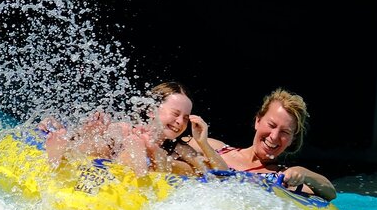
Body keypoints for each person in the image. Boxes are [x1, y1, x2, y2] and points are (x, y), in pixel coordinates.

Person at [41, 82, 227, 177]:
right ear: (152, 110)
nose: (180, 122)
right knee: (102, 142)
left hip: (134, 172)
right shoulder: (127, 128)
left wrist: (203, 142)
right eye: (175, 114)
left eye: (186, 118)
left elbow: (221, 175)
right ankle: (61, 153)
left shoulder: (179, 147)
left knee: (166, 160)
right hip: (114, 163)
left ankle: (142, 158)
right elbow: (90, 139)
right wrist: (84, 130)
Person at [191, 87, 337, 201]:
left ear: (292, 139)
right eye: (272, 125)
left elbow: (330, 193)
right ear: (258, 121)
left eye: (285, 132)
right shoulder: (217, 148)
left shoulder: (283, 178)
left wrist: (304, 173)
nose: (274, 137)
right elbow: (172, 144)